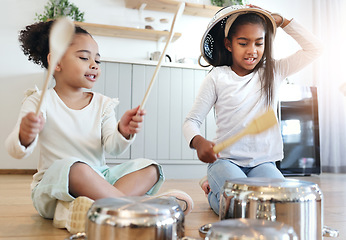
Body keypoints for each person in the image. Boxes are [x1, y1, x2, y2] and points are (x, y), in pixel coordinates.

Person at [5, 19, 193, 234]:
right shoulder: (38, 101)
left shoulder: (103, 103)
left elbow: (113, 148)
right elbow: (14, 149)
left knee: (149, 168)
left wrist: (123, 130)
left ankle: (94, 210)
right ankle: (138, 208)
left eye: (97, 60)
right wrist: (24, 135)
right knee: (76, 168)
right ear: (56, 62)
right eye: (84, 57)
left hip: (100, 179)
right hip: (55, 186)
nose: (94, 64)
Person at [183, 5, 323, 215]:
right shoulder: (217, 78)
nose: (252, 50)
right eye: (243, 43)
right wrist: (198, 141)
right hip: (226, 161)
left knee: (280, 208)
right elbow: (191, 121)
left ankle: (221, 191)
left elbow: (315, 48)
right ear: (229, 44)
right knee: (240, 209)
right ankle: (212, 190)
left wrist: (283, 21)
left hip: (263, 163)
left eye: (259, 43)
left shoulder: (274, 71)